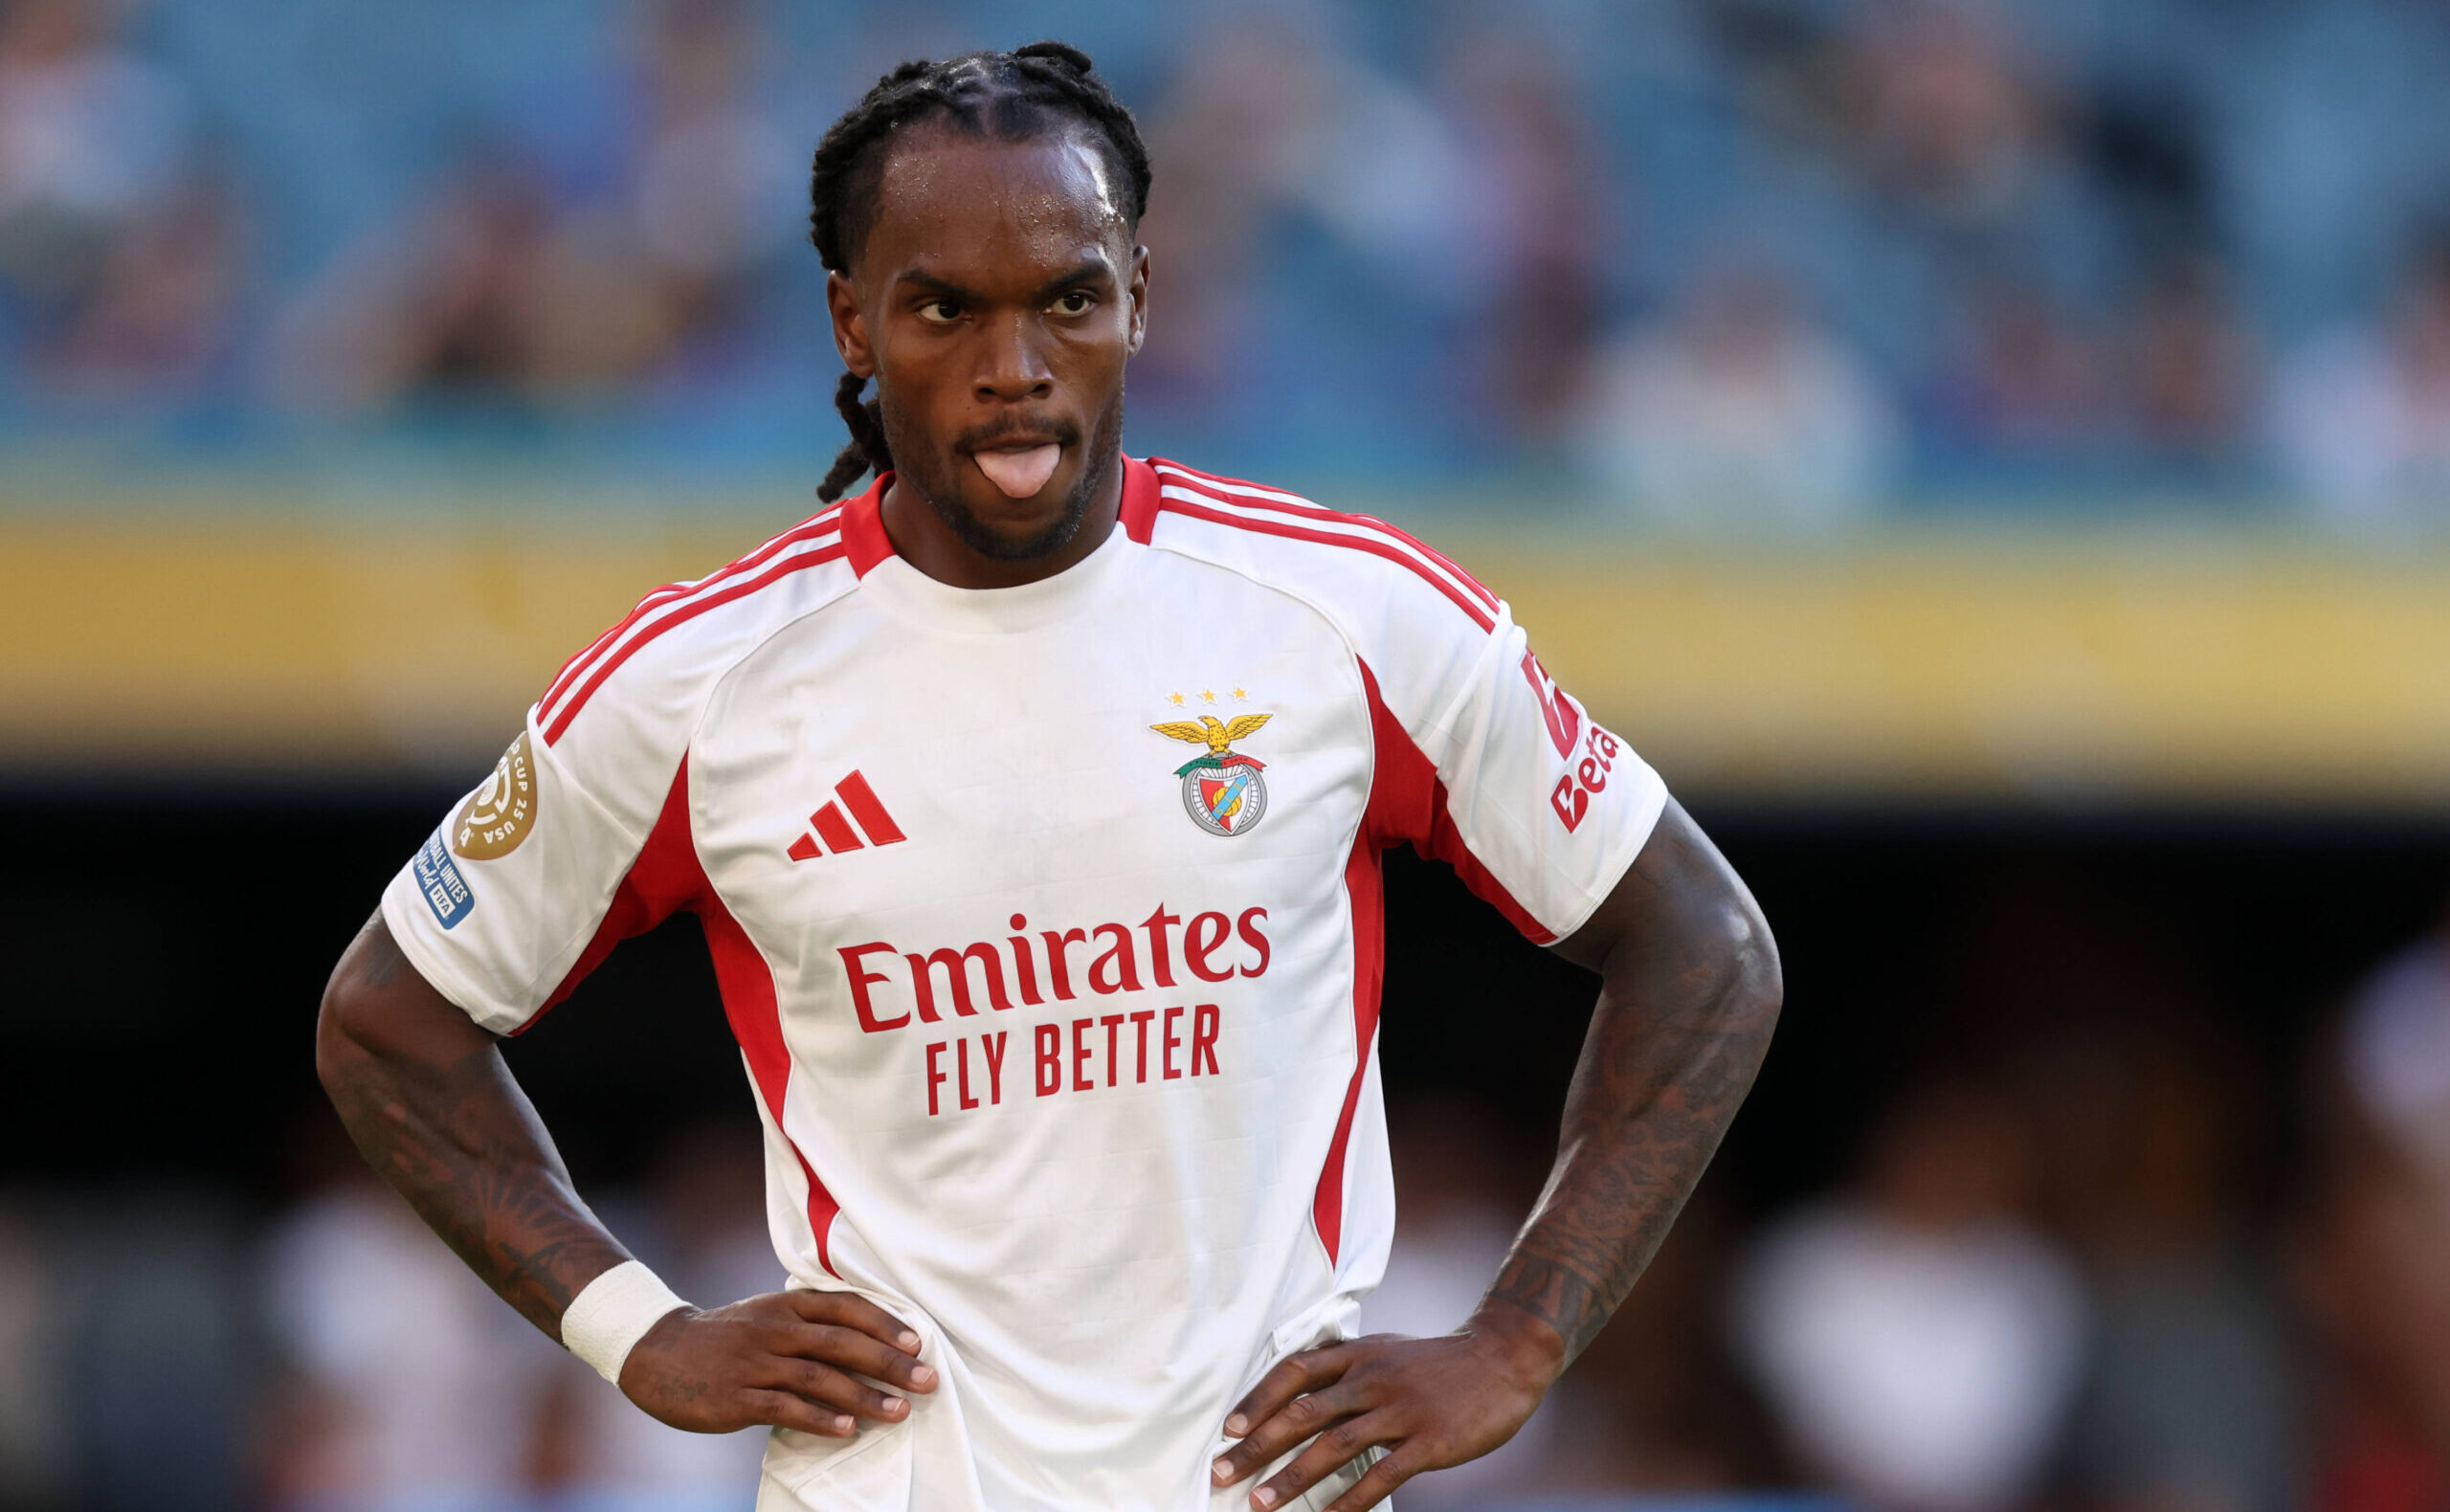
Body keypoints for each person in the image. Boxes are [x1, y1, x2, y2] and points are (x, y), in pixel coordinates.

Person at [315, 43, 1781, 1512]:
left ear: (1137, 294)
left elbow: (1706, 952)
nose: (1012, 369)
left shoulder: (1351, 620)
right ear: (851, 322)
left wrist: (1519, 1341)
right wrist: (641, 1335)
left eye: (1066, 298)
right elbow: (391, 1018)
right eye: (943, 308)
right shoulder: (700, 683)